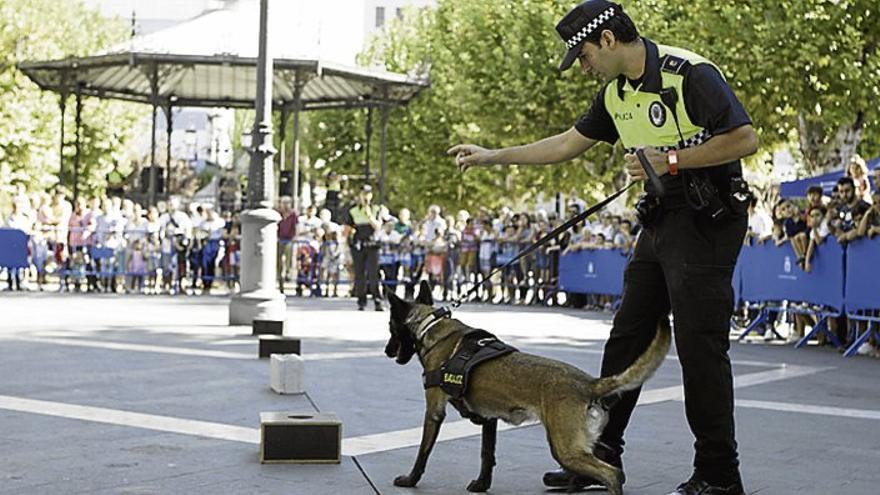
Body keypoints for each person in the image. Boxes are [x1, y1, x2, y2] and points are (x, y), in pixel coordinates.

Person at [449, 2, 757, 493]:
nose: (584, 67)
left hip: (706, 219)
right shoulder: (615, 94)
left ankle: (720, 473)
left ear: (609, 40)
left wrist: (671, 160)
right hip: (659, 221)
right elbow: (567, 143)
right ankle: (595, 456)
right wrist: (494, 156)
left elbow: (744, 138)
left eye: (585, 55)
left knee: (700, 348)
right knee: (627, 339)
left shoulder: (686, 73)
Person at [342, 184, 383, 311]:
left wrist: (369, 214)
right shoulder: (353, 210)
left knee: (373, 274)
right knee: (359, 274)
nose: (365, 196)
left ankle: (377, 300)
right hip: (358, 245)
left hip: (372, 244)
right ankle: (361, 301)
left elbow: (378, 226)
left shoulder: (377, 209)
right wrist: (345, 245)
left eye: (367, 194)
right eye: (363, 194)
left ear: (371, 195)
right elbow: (347, 229)